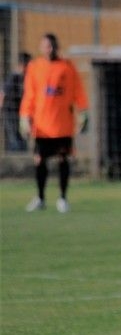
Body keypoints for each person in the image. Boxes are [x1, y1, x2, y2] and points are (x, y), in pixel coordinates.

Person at [20, 36, 88, 212]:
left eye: (50, 46)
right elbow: (29, 95)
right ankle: (40, 198)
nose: (48, 49)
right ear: (41, 48)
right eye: (44, 46)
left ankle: (63, 198)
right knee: (39, 160)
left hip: (63, 124)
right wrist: (24, 117)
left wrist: (83, 111)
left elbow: (78, 90)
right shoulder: (34, 67)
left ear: (56, 47)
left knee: (63, 159)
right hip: (42, 126)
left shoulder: (67, 67)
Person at [1, 52, 31, 153]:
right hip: (11, 112)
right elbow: (3, 94)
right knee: (15, 140)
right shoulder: (13, 77)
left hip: (20, 112)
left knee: (21, 138)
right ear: (22, 65)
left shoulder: (24, 78)